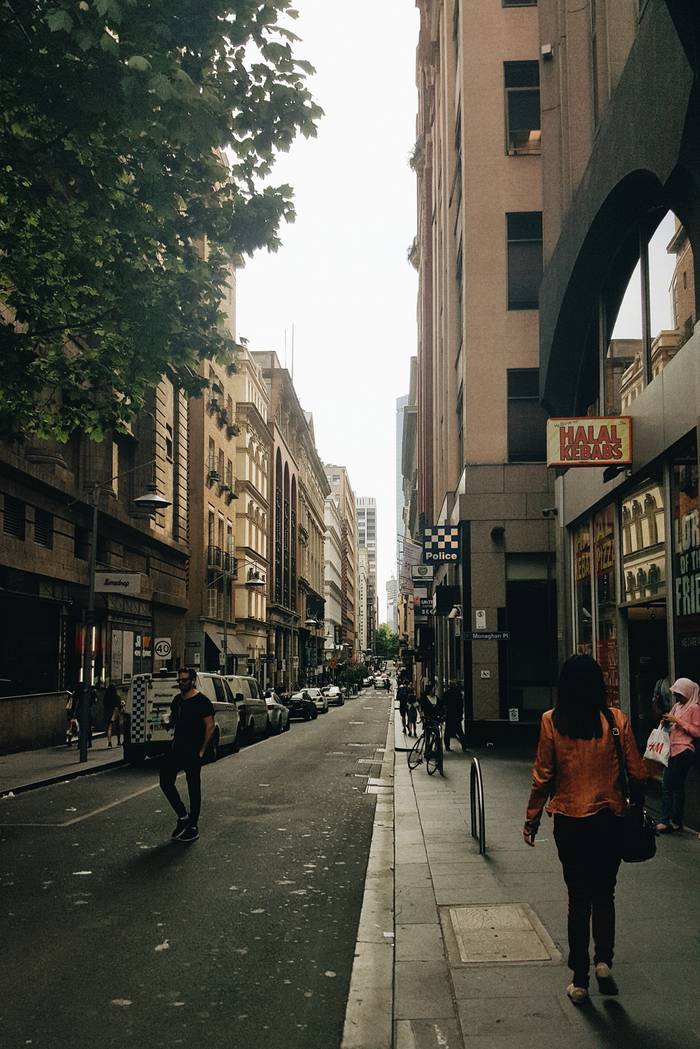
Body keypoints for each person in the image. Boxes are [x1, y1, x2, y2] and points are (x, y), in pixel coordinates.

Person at [523, 654, 646, 1004]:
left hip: (570, 820)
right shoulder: (616, 720)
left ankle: (579, 979)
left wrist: (532, 819)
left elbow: (542, 776)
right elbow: (636, 772)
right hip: (609, 818)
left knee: (578, 898)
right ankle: (604, 961)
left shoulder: (551, 721)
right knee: (605, 893)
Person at [159, 667, 215, 843]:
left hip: (193, 750)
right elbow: (173, 722)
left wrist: (202, 750)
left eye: (184, 680)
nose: (181, 683)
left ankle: (193, 825)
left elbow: (210, 726)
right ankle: (183, 816)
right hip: (177, 748)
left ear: (192, 680)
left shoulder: (202, 701)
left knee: (193, 788)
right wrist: (166, 722)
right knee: (165, 781)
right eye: (179, 680)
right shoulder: (177, 701)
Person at [655, 676, 700, 833]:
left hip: (684, 750)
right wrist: (666, 721)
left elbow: (697, 731)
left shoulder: (694, 708)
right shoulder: (677, 706)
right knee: (670, 785)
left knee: (671, 785)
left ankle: (669, 820)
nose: (678, 697)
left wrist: (678, 721)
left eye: (680, 693)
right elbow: (670, 723)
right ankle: (673, 820)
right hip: (671, 749)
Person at [443, 680, 467, 752]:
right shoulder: (458, 694)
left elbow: (444, 704)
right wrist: (460, 715)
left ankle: (447, 746)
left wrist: (444, 714)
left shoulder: (446, 693)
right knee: (460, 731)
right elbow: (461, 705)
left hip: (449, 715)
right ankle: (464, 746)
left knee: (447, 732)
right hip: (456, 715)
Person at [103, 683, 121, 748]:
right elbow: (116, 708)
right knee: (117, 728)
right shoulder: (117, 697)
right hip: (115, 714)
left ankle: (109, 742)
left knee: (109, 728)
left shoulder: (106, 697)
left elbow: (104, 705)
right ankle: (118, 742)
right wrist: (113, 717)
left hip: (107, 713)